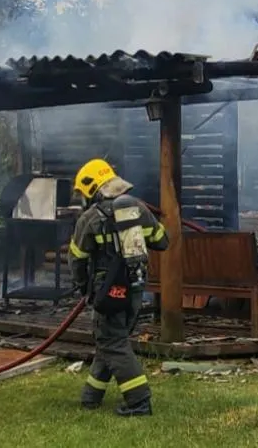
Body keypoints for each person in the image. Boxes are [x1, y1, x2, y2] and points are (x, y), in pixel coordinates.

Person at [68, 158, 168, 417]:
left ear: (92, 188)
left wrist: (84, 288)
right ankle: (91, 397)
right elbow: (162, 241)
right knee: (111, 340)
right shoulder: (138, 208)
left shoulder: (90, 218)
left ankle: (139, 400)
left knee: (111, 341)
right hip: (135, 287)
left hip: (107, 289)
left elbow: (76, 259)